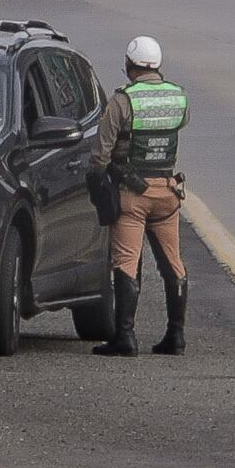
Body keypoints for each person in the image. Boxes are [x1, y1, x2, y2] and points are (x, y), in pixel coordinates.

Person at [95, 37, 191, 358]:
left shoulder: (122, 101)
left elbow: (101, 154)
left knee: (125, 262)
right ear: (158, 65)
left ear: (129, 65)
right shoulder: (178, 97)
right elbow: (181, 123)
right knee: (173, 263)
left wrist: (97, 182)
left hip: (132, 195)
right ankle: (175, 336)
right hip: (167, 192)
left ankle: (125, 336)